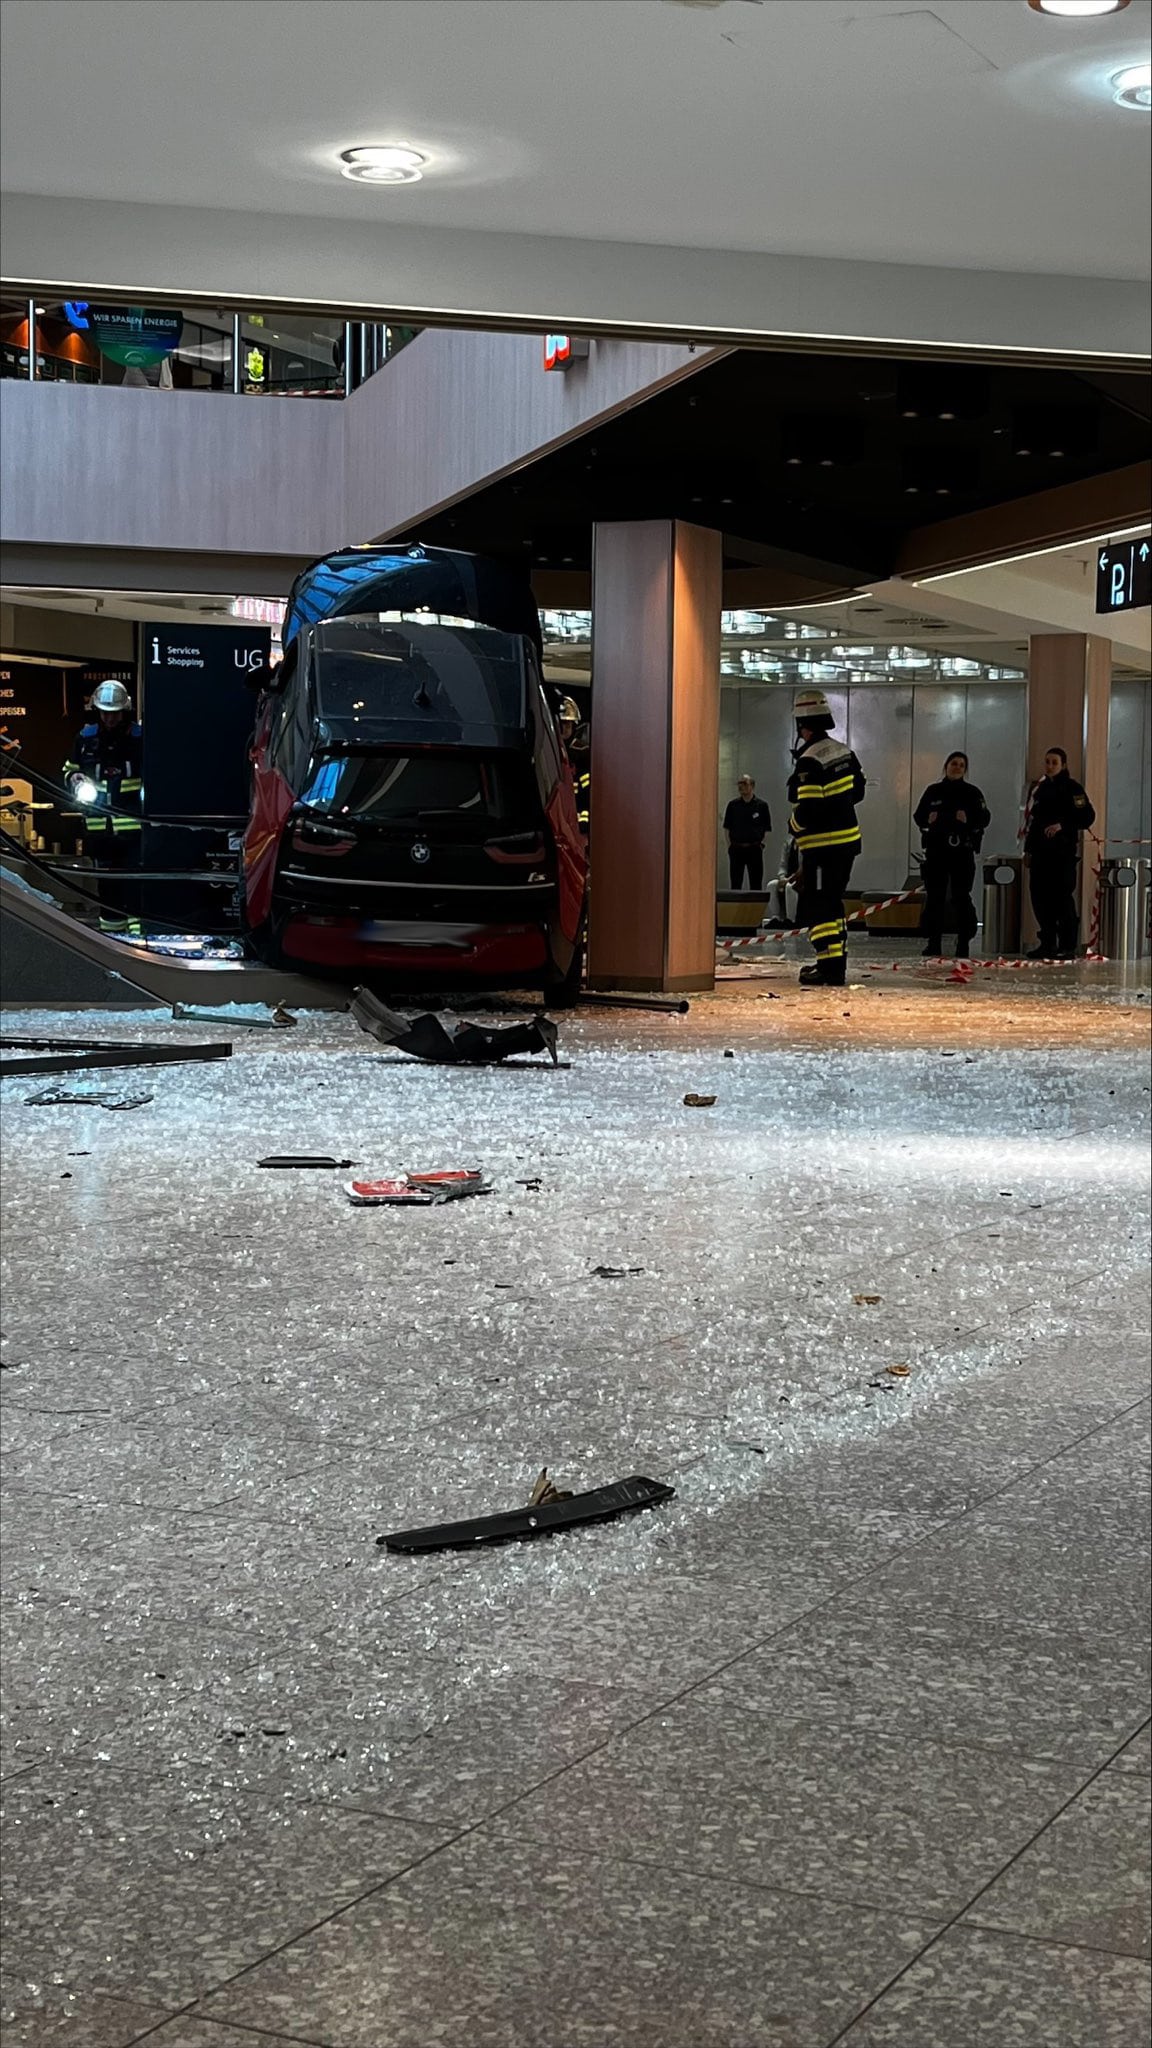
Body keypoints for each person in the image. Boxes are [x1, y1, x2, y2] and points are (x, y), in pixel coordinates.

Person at [787, 688, 866, 987]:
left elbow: (806, 810)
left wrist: (792, 825)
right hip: (846, 844)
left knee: (819, 906)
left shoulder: (809, 760)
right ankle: (833, 965)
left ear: (801, 726)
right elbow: (857, 792)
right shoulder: (844, 752)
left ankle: (829, 968)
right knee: (832, 903)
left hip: (823, 847)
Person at [63, 679, 144, 926]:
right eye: (105, 713)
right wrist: (75, 778)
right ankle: (112, 937)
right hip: (98, 829)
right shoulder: (85, 738)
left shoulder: (139, 738)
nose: (110, 719)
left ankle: (139, 940)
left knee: (134, 887)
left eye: (115, 713)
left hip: (133, 829)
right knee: (107, 889)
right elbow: (70, 770)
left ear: (124, 711)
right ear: (98, 710)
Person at [913, 751, 991, 959]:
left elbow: (984, 818)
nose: (957, 767)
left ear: (965, 770)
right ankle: (933, 942)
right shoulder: (933, 791)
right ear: (946, 766)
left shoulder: (972, 793)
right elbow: (918, 816)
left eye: (961, 765)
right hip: (937, 851)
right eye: (953, 764)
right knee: (935, 898)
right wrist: (927, 820)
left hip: (961, 852)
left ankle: (963, 942)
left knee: (961, 897)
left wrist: (969, 819)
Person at [1024, 747, 1096, 959]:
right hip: (1040, 853)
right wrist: (1028, 850)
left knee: (1062, 900)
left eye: (1054, 762)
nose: (1050, 766)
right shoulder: (1040, 789)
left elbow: (1087, 817)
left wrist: (1062, 825)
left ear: (1063, 764)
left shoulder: (1073, 788)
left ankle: (1067, 945)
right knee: (1039, 899)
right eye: (1047, 762)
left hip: (1061, 853)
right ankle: (1047, 943)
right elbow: (1032, 822)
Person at [723, 774, 772, 890]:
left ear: (752, 786)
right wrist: (729, 846)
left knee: (756, 883)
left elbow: (767, 828)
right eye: (739, 784)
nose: (741, 786)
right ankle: (735, 908)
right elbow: (726, 827)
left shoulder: (762, 806)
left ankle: (755, 908)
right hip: (736, 849)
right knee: (735, 883)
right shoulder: (733, 805)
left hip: (754, 848)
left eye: (744, 783)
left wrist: (762, 845)